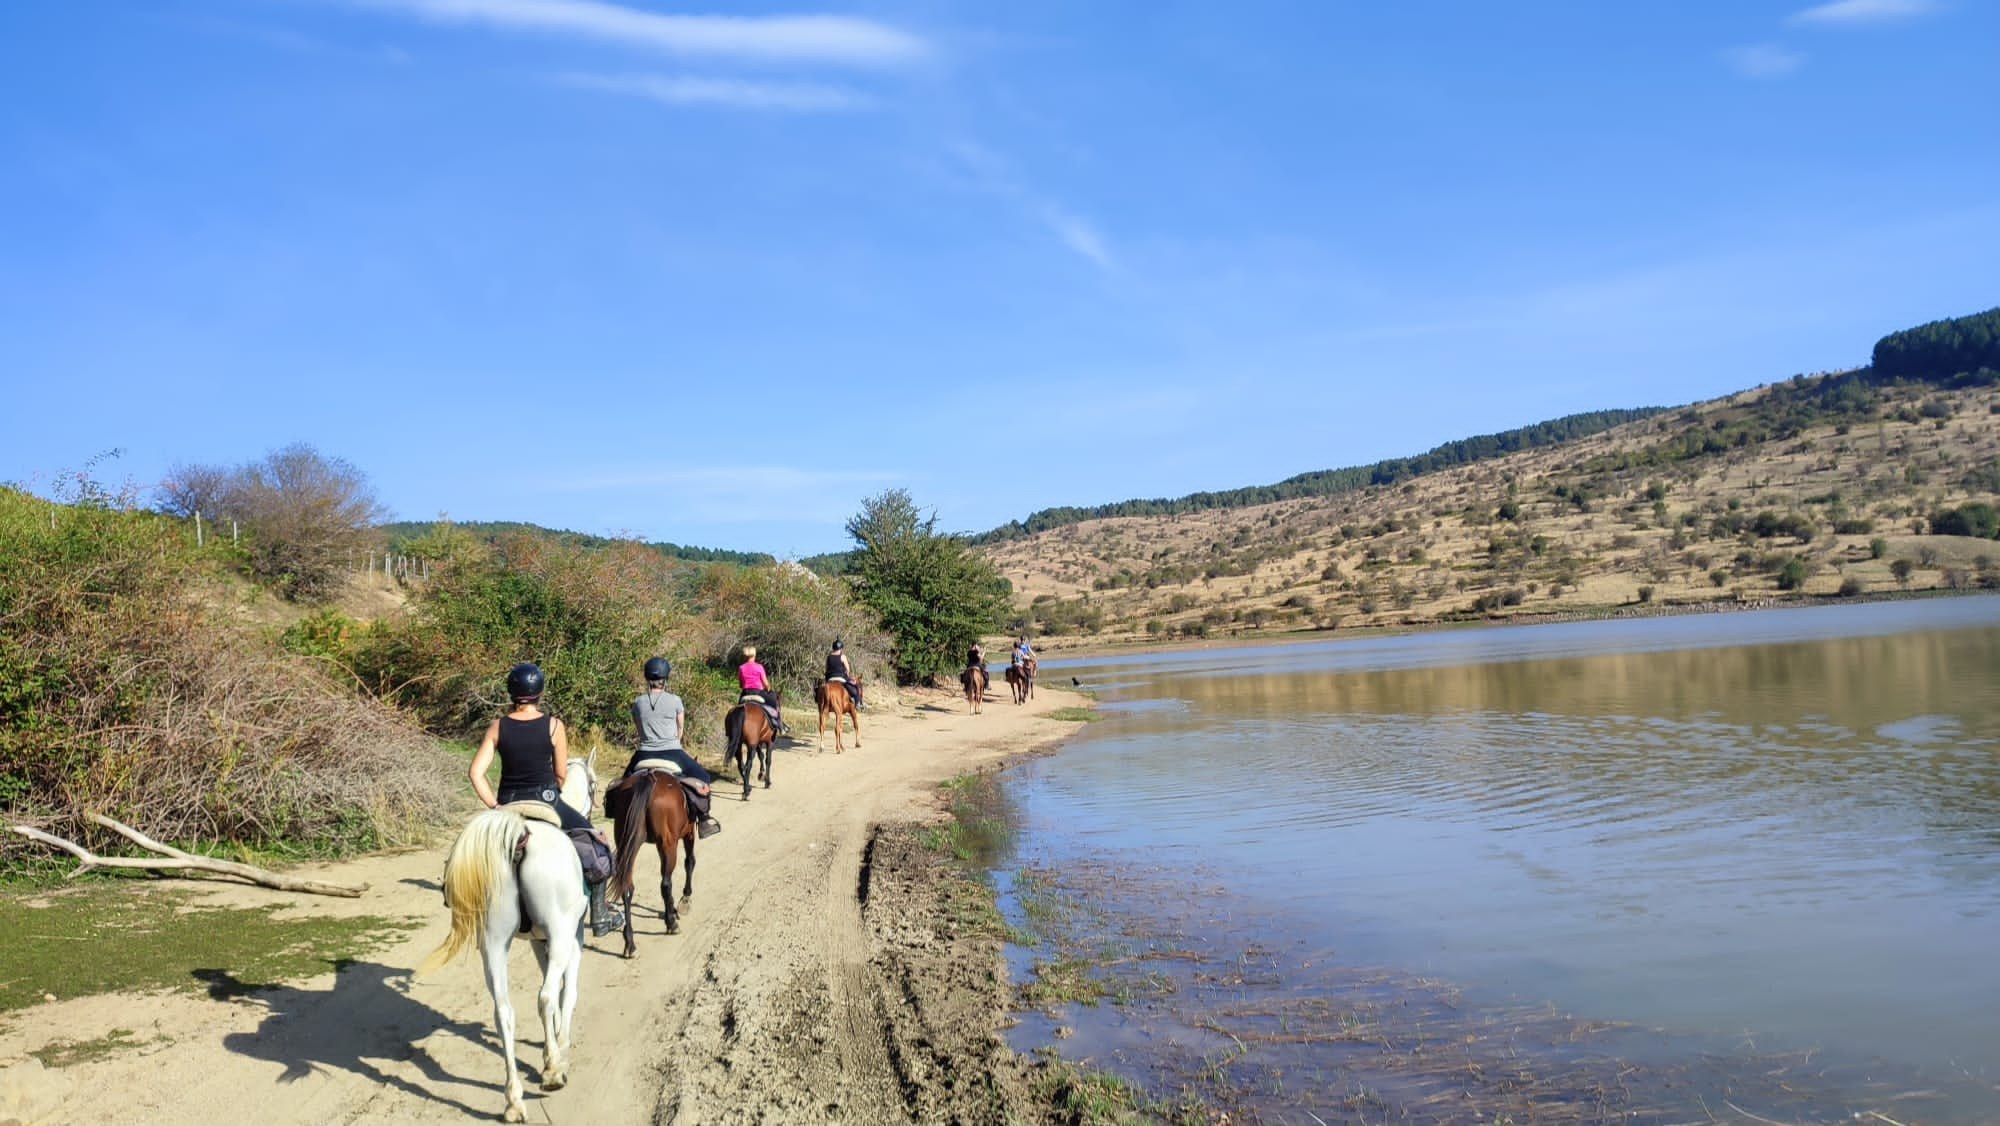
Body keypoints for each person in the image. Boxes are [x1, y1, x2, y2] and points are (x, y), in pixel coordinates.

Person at [469, 662, 624, 937]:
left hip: (508, 805)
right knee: (598, 843)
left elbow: (475, 773)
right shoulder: (554, 726)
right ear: (539, 693)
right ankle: (600, 915)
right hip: (547, 801)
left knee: (471, 853)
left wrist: (495, 806)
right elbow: (561, 775)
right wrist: (553, 788)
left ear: (511, 693)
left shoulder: (497, 727)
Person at [627, 657, 722, 839]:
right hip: (672, 753)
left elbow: (639, 730)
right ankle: (703, 821)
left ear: (646, 677)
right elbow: (680, 730)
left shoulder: (638, 702)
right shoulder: (675, 700)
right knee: (704, 777)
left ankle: (618, 817)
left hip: (643, 753)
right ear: (666, 678)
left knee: (622, 782)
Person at [737, 646, 785, 734]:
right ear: (754, 655)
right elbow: (766, 684)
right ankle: (780, 725)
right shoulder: (759, 667)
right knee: (774, 702)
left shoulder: (741, 668)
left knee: (738, 709)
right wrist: (768, 688)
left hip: (745, 693)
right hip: (758, 692)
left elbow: (741, 684)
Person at [823, 639, 862, 709]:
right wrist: (848, 676)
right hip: (841, 678)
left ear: (833, 648)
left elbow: (826, 669)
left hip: (830, 679)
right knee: (856, 688)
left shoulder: (828, 657)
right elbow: (848, 669)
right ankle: (857, 704)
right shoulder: (843, 656)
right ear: (841, 649)